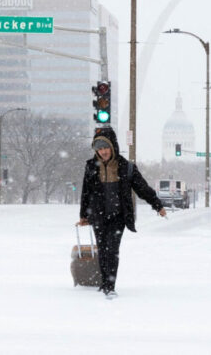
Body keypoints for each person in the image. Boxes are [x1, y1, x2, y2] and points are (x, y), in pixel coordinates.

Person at [77, 127, 166, 298]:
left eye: (105, 147)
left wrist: (157, 205)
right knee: (103, 249)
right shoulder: (91, 166)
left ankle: (110, 286)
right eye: (99, 148)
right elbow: (86, 192)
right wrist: (84, 216)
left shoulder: (126, 167)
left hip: (118, 216)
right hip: (99, 216)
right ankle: (104, 283)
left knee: (112, 249)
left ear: (113, 146)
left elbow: (142, 189)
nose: (103, 152)